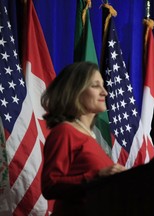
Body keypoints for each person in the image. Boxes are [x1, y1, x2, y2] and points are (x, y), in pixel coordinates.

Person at [41, 62, 126, 215]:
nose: (105, 92)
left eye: (103, 85)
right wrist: (97, 176)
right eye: (95, 86)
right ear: (75, 92)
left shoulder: (90, 137)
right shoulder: (64, 132)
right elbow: (50, 185)